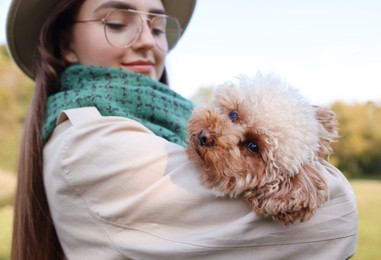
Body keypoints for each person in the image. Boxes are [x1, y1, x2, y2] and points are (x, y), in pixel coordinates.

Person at [6, 0, 358, 259]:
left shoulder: (155, 127)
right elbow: (334, 215)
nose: (149, 41)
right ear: (65, 44)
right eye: (116, 22)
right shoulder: (88, 142)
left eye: (158, 27)